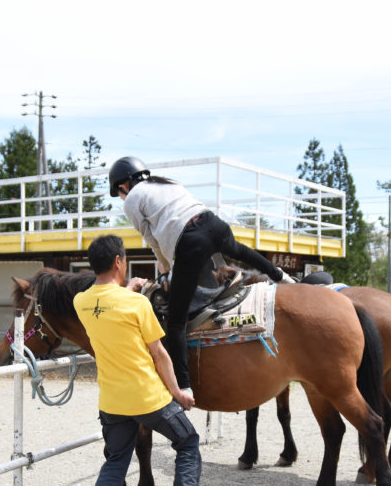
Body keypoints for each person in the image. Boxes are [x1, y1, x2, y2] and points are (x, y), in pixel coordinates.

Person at [108, 155, 295, 396]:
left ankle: (184, 386)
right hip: (213, 224)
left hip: (189, 241)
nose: (122, 196)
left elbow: (152, 240)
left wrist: (165, 269)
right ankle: (281, 276)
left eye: (119, 192)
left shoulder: (132, 198)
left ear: (123, 185)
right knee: (241, 251)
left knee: (175, 322)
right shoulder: (167, 184)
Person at [72, 234, 210, 486]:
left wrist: (126, 290)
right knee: (187, 441)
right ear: (119, 262)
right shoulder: (137, 303)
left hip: (112, 401)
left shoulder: (81, 302)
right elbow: (160, 354)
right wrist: (178, 392)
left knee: (116, 458)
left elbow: (106, 304)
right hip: (148, 398)